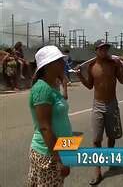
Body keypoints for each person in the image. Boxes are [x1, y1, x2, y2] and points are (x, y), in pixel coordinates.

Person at [76, 41, 123, 185]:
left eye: (106, 49)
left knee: (112, 136)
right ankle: (97, 171)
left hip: (112, 104)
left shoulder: (113, 64)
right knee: (97, 139)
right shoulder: (92, 66)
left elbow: (122, 81)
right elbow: (90, 85)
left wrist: (122, 67)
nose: (105, 51)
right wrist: (80, 76)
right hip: (98, 105)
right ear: (96, 50)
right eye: (102, 49)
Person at [26, 45, 72, 186]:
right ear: (48, 65)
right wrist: (60, 159)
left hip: (60, 148)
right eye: (59, 61)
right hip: (48, 154)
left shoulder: (51, 86)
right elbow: (45, 127)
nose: (63, 64)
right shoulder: (42, 89)